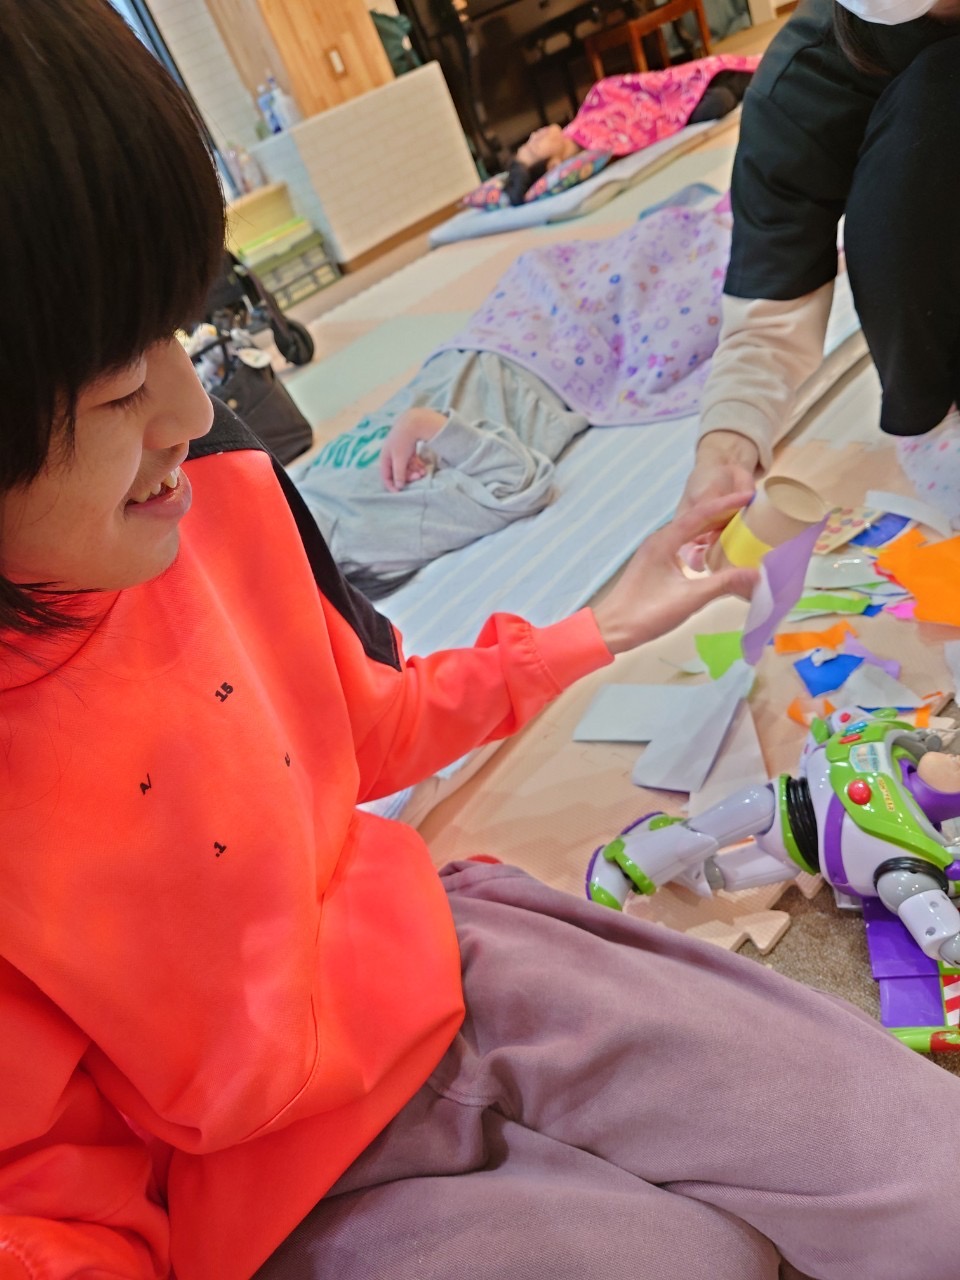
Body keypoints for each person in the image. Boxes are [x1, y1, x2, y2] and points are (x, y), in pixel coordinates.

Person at [3, 7, 960, 1280]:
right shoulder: (805, 88)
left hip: (447, 960)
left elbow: (361, 722)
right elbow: (48, 1207)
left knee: (927, 1178)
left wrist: (600, 622)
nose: (192, 409)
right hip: (258, 1185)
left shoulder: (217, 489)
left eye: (177, 340)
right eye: (121, 388)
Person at [680, 0, 960, 526]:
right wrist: (724, 453)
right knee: (939, 89)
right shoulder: (804, 82)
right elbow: (769, 311)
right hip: (943, 372)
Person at [505, 54, 757, 204]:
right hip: (670, 113)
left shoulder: (580, 121)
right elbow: (632, 129)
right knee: (718, 101)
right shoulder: (594, 154)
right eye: (534, 146)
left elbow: (624, 92)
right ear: (554, 166)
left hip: (666, 91)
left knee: (717, 81)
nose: (534, 135)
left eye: (529, 140)